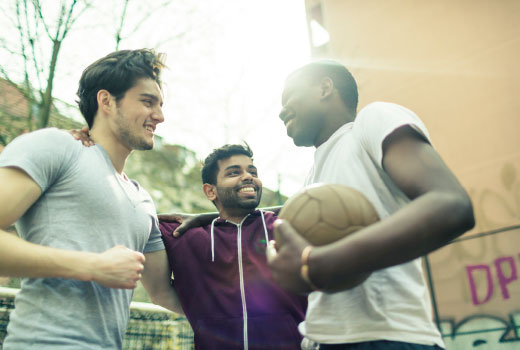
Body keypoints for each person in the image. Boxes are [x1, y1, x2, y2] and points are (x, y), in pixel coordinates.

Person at [267, 60, 475, 350]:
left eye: (289, 97)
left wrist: (317, 263)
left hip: (386, 338)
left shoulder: (370, 122)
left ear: (325, 88)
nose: (281, 110)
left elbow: (451, 204)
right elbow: (269, 215)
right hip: (324, 342)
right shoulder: (312, 178)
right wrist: (200, 219)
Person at [0, 49, 182, 350]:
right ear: (106, 101)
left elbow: (164, 294)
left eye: (160, 105)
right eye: (147, 102)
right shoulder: (58, 147)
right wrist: (92, 266)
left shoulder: (144, 201)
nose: (160, 116)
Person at [159, 144, 307, 350]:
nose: (248, 177)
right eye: (234, 172)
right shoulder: (184, 235)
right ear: (210, 191)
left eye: (252, 172)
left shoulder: (288, 227)